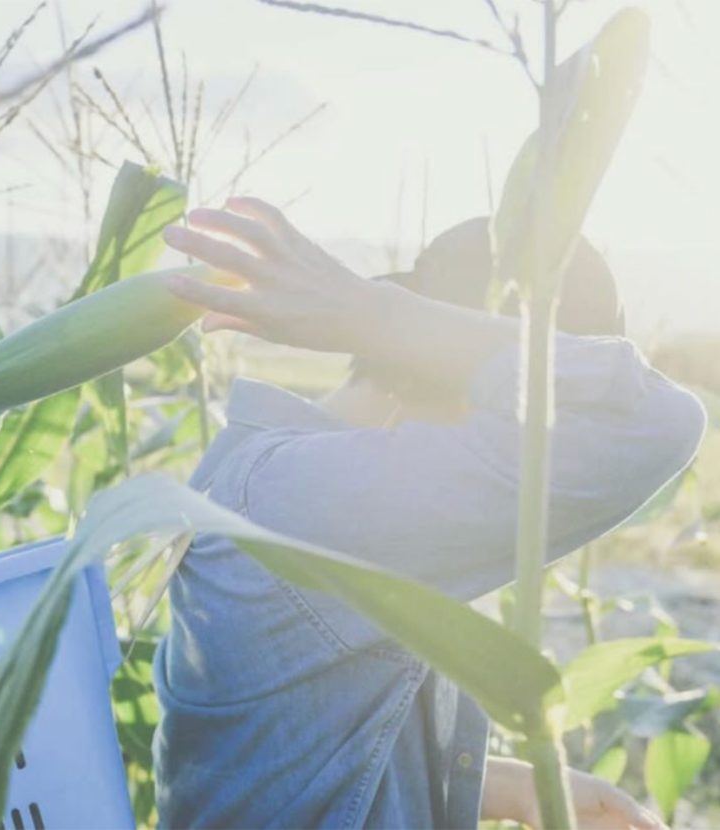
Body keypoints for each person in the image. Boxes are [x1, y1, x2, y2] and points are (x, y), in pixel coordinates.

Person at [151, 197, 706, 829]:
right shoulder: (305, 502)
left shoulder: (285, 479)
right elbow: (661, 422)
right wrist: (366, 313)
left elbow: (298, 746)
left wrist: (508, 785)